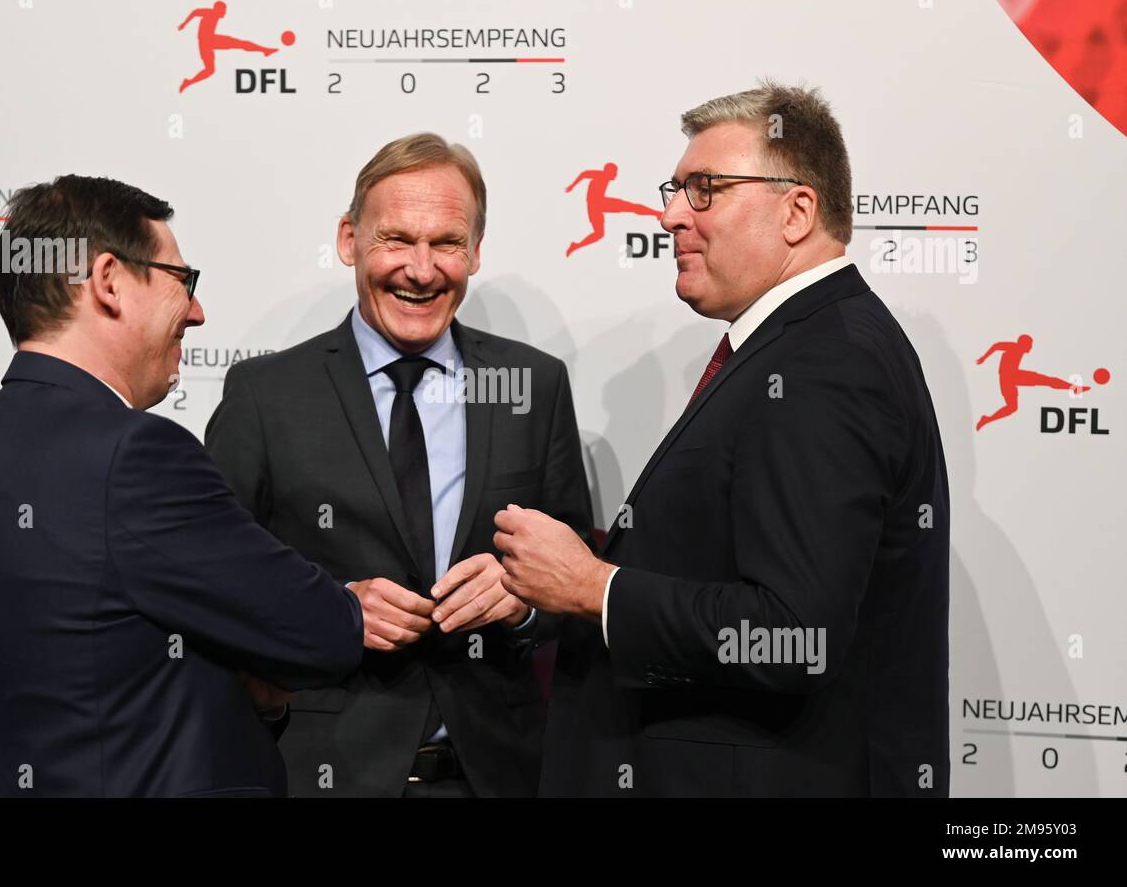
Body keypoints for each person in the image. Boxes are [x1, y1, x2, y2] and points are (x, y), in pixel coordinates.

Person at [495, 83, 951, 797]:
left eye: (705, 189)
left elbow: (796, 633)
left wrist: (593, 586)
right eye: (675, 190)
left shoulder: (825, 361)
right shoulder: (802, 346)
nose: (671, 214)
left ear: (797, 210)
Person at [0, 175, 363, 797]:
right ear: (109, 281)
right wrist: (349, 608)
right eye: (181, 281)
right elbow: (320, 634)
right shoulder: (136, 454)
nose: (197, 310)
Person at [206, 134, 593, 797]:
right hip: (323, 774)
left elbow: (579, 576)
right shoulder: (267, 394)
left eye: (446, 243)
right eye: (397, 240)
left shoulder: (533, 383)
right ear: (349, 239)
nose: (421, 269)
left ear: (474, 252)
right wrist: (333, 610)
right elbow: (213, 580)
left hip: (498, 775)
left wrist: (524, 601)